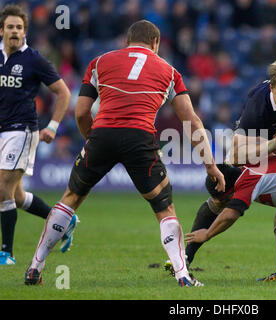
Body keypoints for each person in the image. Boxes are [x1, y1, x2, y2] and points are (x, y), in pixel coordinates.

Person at [24, 20, 225, 287]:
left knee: (70, 197)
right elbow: (192, 121)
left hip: (102, 135)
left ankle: (35, 268)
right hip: (139, 138)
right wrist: (210, 166)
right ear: (156, 43)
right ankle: (183, 275)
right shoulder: (170, 71)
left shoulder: (99, 62)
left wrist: (91, 141)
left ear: (127, 41)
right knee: (164, 208)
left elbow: (82, 112)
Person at [180, 59, 276, 269]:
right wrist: (274, 144)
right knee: (219, 190)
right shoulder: (257, 104)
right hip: (260, 147)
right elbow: (235, 157)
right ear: (271, 88)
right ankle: (185, 258)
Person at [0, 5, 77, 265]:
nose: (14, 31)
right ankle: (64, 221)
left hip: (22, 131)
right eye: (10, 27)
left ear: (25, 31)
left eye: (19, 27)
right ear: (1, 30)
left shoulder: (33, 59)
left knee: (2, 188)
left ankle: (6, 253)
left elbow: (64, 92)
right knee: (17, 196)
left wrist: (53, 127)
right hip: (1, 131)